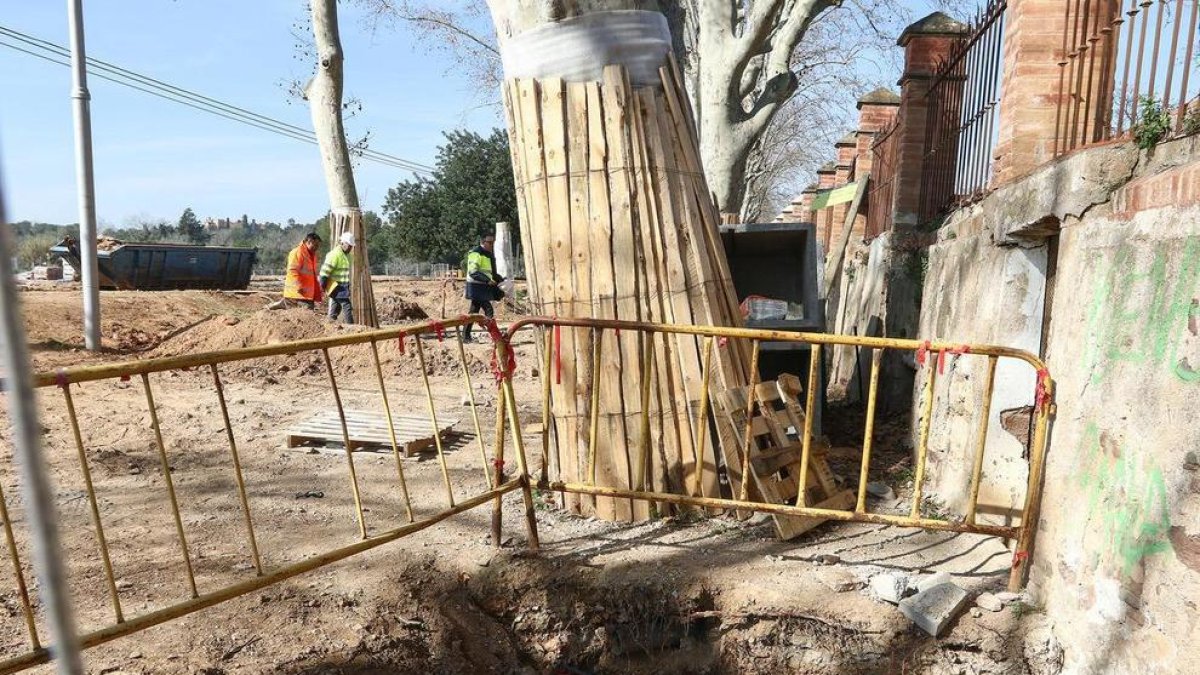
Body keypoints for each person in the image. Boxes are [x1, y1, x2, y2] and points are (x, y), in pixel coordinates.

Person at [463, 233, 504, 342]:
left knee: (473, 312)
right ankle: (494, 336)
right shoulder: (476, 253)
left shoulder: (488, 254)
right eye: (489, 242)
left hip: (483, 287)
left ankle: (466, 336)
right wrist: (487, 280)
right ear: (482, 242)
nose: (492, 245)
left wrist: (501, 279)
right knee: (488, 309)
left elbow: (491, 273)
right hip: (476, 287)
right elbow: (473, 272)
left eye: (493, 242)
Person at [267, 232, 323, 310]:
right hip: (296, 293)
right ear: (309, 241)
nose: (317, 248)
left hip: (306, 294)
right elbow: (293, 270)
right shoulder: (297, 252)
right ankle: (283, 304)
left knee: (308, 311)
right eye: (316, 245)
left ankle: (282, 304)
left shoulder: (311, 255)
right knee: (305, 312)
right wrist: (299, 286)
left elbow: (311, 274)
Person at [319, 232, 355, 323]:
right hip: (336, 286)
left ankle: (330, 323)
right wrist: (322, 286)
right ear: (342, 243)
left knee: (336, 307)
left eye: (351, 246)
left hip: (342, 286)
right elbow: (324, 273)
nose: (350, 248)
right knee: (346, 305)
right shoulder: (334, 255)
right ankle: (351, 328)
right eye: (349, 245)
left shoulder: (347, 256)